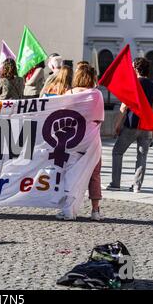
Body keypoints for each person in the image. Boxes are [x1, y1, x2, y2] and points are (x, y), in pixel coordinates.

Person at [106, 57, 153, 193]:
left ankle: (115, 183)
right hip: (146, 126)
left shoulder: (133, 84)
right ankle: (137, 186)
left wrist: (117, 125)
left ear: (135, 68)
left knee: (117, 152)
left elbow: (124, 107)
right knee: (142, 156)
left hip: (131, 124)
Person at [59, 64, 103, 221]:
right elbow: (99, 119)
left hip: (72, 140)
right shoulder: (96, 94)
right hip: (91, 141)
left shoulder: (68, 93)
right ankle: (95, 211)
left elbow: (62, 116)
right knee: (95, 175)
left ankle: (68, 209)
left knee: (70, 173)